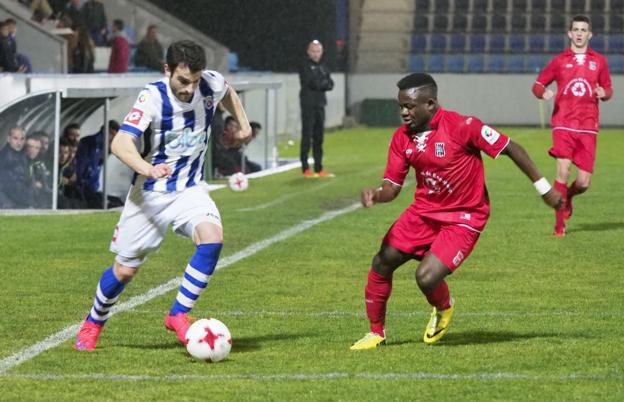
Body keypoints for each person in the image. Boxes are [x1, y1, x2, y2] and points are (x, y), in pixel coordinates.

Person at [350, 73, 562, 350]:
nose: (404, 112)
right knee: (382, 261)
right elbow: (392, 187)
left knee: (426, 278)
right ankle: (376, 333)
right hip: (424, 212)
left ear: (430, 103)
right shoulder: (402, 138)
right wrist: (376, 196)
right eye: (401, 106)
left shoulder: (463, 126)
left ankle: (444, 307)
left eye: (410, 106)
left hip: (464, 216)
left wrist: (544, 188)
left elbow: (512, 148)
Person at [74, 39, 252, 351]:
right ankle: (93, 322)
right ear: (167, 69)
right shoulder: (152, 97)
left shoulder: (208, 83)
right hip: (151, 194)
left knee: (212, 239)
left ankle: (178, 314)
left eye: (195, 81)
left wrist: (244, 126)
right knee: (125, 270)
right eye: (183, 81)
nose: (189, 88)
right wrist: (146, 167)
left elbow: (228, 92)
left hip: (189, 188)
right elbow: (120, 144)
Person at [532, 15, 613, 237]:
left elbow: (608, 89)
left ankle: (568, 196)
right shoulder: (559, 61)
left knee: (584, 183)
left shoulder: (600, 61)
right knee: (563, 170)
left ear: (590, 34)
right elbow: (538, 84)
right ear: (569, 33)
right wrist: (543, 92)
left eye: (583, 30)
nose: (579, 33)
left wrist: (603, 93)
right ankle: (559, 226)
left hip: (588, 126)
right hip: (563, 124)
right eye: (575, 29)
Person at [299, 39, 334, 178]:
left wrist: (321, 82)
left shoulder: (323, 66)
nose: (315, 54)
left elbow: (330, 84)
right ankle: (305, 168)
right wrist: (322, 82)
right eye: (313, 51)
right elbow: (312, 82)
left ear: (322, 52)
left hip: (320, 104)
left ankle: (319, 168)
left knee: (319, 138)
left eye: (318, 51)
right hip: (308, 104)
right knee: (307, 136)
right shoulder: (304, 65)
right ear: (308, 52)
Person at [75, 120, 119, 208]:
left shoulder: (105, 146)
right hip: (84, 185)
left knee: (115, 203)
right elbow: (81, 164)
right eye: (112, 135)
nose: (113, 138)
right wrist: (81, 182)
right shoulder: (89, 142)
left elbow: (100, 163)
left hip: (94, 185)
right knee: (100, 204)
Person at [0, 127, 31, 208]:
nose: (19, 143)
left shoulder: (22, 155)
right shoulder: (4, 158)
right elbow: (7, 186)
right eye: (15, 138)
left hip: (18, 200)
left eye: (22, 139)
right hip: (8, 204)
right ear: (8, 139)